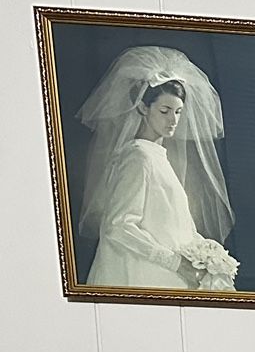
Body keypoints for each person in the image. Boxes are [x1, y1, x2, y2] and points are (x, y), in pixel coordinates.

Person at [75, 45, 238, 291]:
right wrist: (174, 262)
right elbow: (118, 227)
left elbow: (174, 223)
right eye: (164, 110)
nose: (173, 119)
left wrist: (208, 255)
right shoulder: (138, 157)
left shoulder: (157, 156)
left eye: (178, 112)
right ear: (143, 107)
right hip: (141, 273)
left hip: (166, 274)